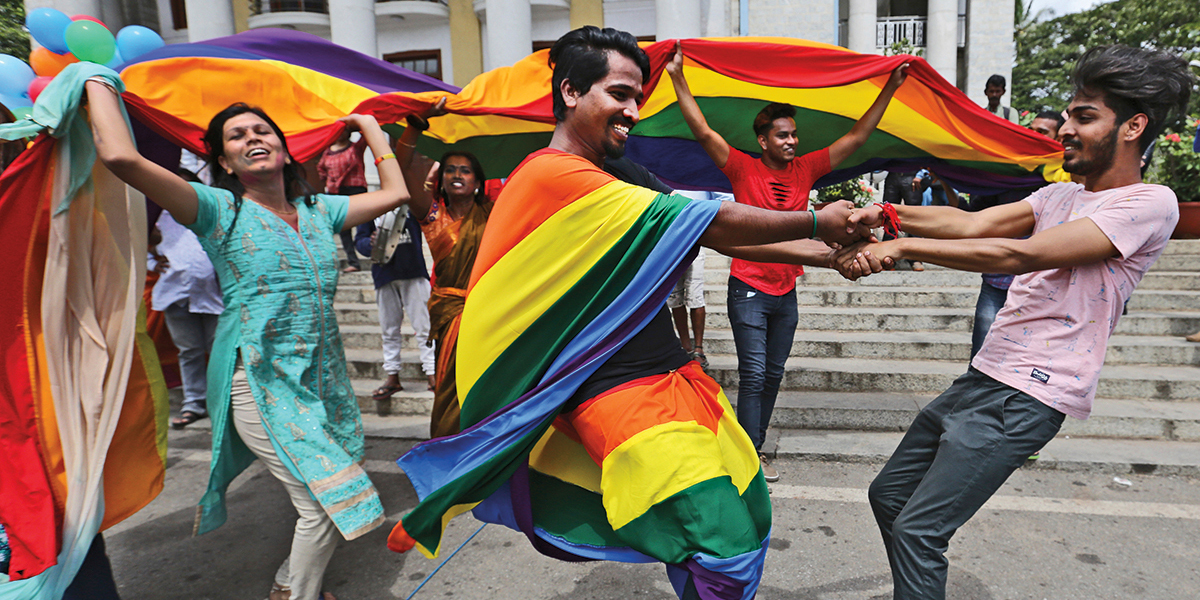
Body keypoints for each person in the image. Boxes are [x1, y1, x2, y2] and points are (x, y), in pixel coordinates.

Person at [387, 26, 884, 600]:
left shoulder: (619, 176)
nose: (633, 110)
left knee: (747, 515)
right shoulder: (551, 175)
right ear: (571, 92)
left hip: (674, 375)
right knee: (725, 546)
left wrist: (833, 256)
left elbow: (722, 239)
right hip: (619, 393)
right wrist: (820, 221)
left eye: (637, 98)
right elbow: (711, 221)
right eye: (619, 94)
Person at [838, 44, 1193, 600]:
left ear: (1134, 126)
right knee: (890, 498)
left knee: (919, 530)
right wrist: (887, 214)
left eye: (1084, 116)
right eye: (1070, 114)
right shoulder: (1060, 195)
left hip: (1031, 392)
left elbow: (1022, 255)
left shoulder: (1151, 203)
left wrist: (902, 246)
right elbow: (973, 222)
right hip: (986, 377)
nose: (1066, 129)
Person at [86, 77, 411, 600]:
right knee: (328, 501)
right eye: (237, 136)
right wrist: (95, 78)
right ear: (225, 160)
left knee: (329, 497)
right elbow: (121, 158)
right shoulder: (218, 210)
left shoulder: (319, 211)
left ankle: (288, 583)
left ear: (285, 150)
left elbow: (397, 193)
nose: (252, 138)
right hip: (258, 382)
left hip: (322, 385)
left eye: (262, 130)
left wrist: (371, 128)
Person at [667, 40, 910, 481]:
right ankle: (750, 455)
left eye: (794, 135)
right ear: (763, 140)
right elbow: (703, 131)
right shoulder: (742, 167)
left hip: (786, 288)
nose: (792, 141)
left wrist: (889, 88)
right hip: (748, 287)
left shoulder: (808, 169)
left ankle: (752, 447)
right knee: (755, 372)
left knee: (774, 374)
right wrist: (678, 78)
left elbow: (857, 137)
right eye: (783, 135)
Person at [393, 104, 502, 438]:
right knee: (450, 386)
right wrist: (415, 126)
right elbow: (401, 170)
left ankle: (487, 448)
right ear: (440, 178)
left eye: (465, 170)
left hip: (490, 312)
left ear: (478, 180)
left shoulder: (497, 212)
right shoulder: (431, 214)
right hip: (452, 312)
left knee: (489, 385)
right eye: (451, 169)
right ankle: (448, 448)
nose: (457, 175)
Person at [968, 109, 1065, 360]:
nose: (1033, 137)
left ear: (1059, 139)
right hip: (998, 279)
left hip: (1040, 285)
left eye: (1041, 133)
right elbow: (975, 212)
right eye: (1030, 130)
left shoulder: (1067, 183)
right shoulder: (1007, 169)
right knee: (981, 354)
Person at [152, 191, 224, 428]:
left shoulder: (211, 215)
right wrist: (152, 262)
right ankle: (194, 402)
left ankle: (224, 400)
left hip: (213, 293)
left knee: (220, 349)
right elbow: (138, 245)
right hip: (175, 293)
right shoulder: (156, 218)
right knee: (189, 350)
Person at [353, 206, 436, 402]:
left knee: (425, 328)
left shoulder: (410, 202)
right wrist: (369, 243)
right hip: (384, 273)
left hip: (413, 271)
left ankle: (433, 374)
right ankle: (392, 376)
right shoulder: (372, 207)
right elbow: (360, 240)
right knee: (389, 330)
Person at [317, 127, 368, 273]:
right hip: (336, 192)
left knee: (364, 225)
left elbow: (366, 137)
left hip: (355, 189)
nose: (339, 134)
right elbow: (321, 168)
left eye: (342, 131)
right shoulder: (327, 151)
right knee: (343, 230)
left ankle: (373, 253)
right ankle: (353, 261)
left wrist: (358, 124)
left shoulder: (355, 148)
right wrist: (329, 180)